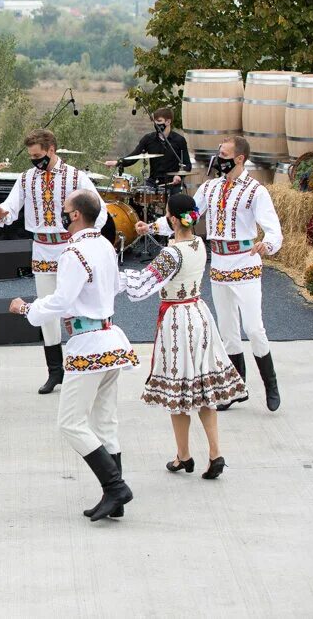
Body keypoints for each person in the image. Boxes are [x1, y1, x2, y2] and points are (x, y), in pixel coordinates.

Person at [10, 190, 138, 521]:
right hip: (110, 338)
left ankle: (115, 487)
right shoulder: (106, 246)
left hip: (89, 343)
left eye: (65, 212)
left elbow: (61, 301)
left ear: (77, 215)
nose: (62, 216)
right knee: (104, 421)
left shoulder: (74, 253)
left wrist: (27, 309)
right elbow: (114, 287)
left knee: (70, 422)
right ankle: (115, 497)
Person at [137, 135, 283, 412]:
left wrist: (269, 244)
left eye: (225, 155)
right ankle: (236, 389)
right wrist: (154, 227)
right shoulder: (210, 188)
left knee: (253, 328)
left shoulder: (256, 191)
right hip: (218, 265)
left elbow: (274, 229)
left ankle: (271, 385)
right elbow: (187, 217)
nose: (219, 159)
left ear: (239, 159)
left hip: (246, 265)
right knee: (228, 331)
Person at [120, 194, 243, 479]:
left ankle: (184, 455)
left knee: (179, 391)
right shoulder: (199, 243)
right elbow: (172, 230)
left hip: (177, 321)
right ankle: (215, 453)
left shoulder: (170, 254)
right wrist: (152, 228)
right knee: (203, 389)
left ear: (173, 218)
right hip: (200, 314)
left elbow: (141, 287)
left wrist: (116, 277)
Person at [0, 128, 109, 395]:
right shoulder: (26, 179)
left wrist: (90, 239)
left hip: (71, 246)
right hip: (42, 248)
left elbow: (99, 209)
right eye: (31, 157)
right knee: (47, 309)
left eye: (39, 156)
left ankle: (91, 365)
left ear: (52, 149)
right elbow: (10, 207)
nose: (35, 161)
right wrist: (1, 213)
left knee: (81, 306)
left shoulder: (76, 176)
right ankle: (55, 371)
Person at [105, 106, 191, 194]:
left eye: (159, 121)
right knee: (136, 194)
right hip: (153, 182)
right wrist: (118, 162)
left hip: (172, 183)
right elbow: (134, 156)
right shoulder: (148, 139)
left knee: (176, 201)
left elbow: (187, 165)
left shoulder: (179, 140)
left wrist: (179, 175)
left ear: (168, 121)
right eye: (154, 121)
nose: (156, 124)